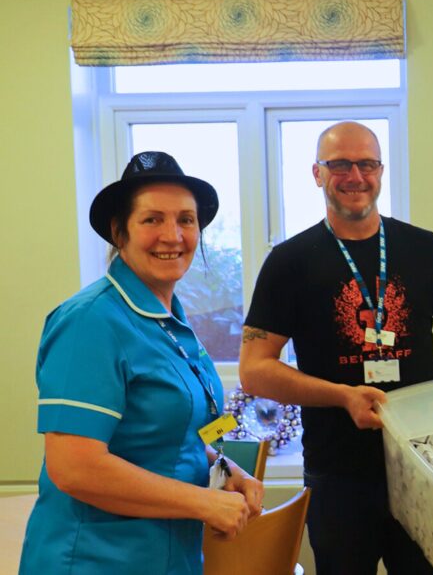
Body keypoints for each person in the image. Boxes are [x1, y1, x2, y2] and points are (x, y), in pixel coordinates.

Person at [239, 121, 433, 575]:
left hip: (427, 468)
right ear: (317, 173)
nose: (355, 176)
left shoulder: (423, 249)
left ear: (381, 170)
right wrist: (343, 396)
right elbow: (254, 370)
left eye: (367, 164)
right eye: (339, 164)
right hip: (337, 474)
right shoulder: (289, 263)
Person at [19, 152, 264, 574]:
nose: (173, 235)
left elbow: (169, 437)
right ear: (119, 231)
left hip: (167, 558)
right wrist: (204, 501)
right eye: (152, 219)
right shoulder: (90, 321)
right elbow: (74, 466)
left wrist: (227, 469)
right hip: (96, 561)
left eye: (186, 220)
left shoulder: (169, 319)